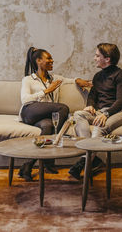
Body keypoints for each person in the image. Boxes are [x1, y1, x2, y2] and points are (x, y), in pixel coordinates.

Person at [19, 47, 91, 181]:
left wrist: (78, 80)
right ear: (38, 61)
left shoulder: (54, 78)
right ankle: (57, 140)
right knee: (63, 108)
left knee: (47, 126)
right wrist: (46, 91)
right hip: (29, 111)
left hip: (43, 118)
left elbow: (69, 80)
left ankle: (29, 165)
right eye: (49, 58)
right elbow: (25, 99)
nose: (52, 61)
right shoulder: (28, 79)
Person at [68, 43, 122, 180]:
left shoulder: (120, 75)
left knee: (98, 127)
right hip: (100, 112)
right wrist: (90, 105)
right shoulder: (97, 76)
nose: (94, 58)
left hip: (118, 111)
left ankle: (84, 162)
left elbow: (121, 100)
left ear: (107, 59)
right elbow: (92, 96)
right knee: (78, 114)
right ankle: (91, 158)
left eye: (97, 56)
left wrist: (106, 114)